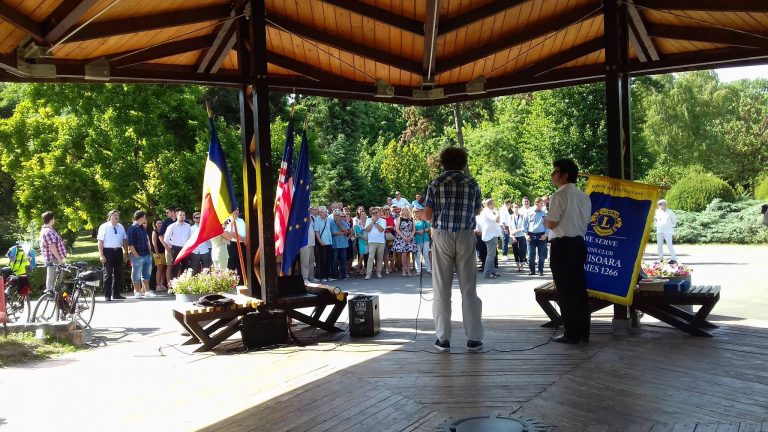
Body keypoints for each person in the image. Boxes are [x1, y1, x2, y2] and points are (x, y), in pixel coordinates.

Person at [424, 146, 484, 353]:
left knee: (441, 289)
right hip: (466, 236)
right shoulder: (472, 183)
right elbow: (477, 210)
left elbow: (426, 215)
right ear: (463, 162)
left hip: (442, 235)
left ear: (443, 162)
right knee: (469, 289)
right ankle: (474, 339)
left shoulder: (436, 183)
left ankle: (443, 339)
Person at [544, 158, 592, 344]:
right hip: (579, 244)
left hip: (562, 246)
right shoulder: (583, 196)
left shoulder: (559, 196)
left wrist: (546, 222)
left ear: (564, 175)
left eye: (555, 171)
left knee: (565, 291)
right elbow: (586, 222)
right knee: (579, 290)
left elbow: (553, 222)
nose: (552, 175)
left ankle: (571, 333)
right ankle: (583, 332)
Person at [97, 210, 128, 301]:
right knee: (108, 274)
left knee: (119, 274)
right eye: (114, 215)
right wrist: (101, 254)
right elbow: (100, 241)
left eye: (118, 215)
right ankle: (107, 295)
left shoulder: (120, 227)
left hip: (118, 251)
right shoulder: (104, 226)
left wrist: (126, 252)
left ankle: (116, 294)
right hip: (107, 251)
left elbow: (124, 240)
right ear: (110, 216)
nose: (116, 217)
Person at [127, 211, 155, 299]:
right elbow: (130, 244)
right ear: (141, 217)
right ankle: (137, 292)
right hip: (138, 255)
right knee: (136, 274)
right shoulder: (132, 228)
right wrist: (136, 255)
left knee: (146, 273)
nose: (145, 218)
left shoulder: (142, 227)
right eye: (144, 217)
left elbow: (146, 241)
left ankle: (147, 291)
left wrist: (149, 253)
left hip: (146, 254)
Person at [39, 211, 67, 293]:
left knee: (55, 276)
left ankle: (54, 294)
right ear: (51, 219)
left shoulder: (47, 230)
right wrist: (59, 259)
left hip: (53, 258)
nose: (54, 220)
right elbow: (52, 246)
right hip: (54, 258)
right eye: (54, 218)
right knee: (53, 277)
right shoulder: (48, 231)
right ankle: (51, 294)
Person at [164, 209, 192, 278]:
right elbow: (166, 238)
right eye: (180, 215)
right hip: (176, 248)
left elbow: (190, 237)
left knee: (185, 266)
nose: (182, 217)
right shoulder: (172, 226)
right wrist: (172, 246)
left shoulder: (188, 226)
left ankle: (183, 284)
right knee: (175, 267)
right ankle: (174, 284)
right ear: (176, 215)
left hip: (185, 248)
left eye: (183, 215)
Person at [479, 198, 503, 279]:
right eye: (493, 204)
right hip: (490, 236)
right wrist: (497, 212)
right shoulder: (486, 211)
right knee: (490, 255)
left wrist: (496, 214)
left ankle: (492, 272)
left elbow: (498, 220)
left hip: (492, 235)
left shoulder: (488, 211)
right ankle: (487, 273)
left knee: (492, 255)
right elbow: (496, 219)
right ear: (489, 204)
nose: (494, 205)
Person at [525, 198, 548, 276]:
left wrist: (546, 235)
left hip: (541, 236)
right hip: (531, 235)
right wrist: (526, 235)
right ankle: (532, 271)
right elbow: (524, 225)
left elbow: (547, 225)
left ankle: (540, 271)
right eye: (541, 203)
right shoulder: (529, 212)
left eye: (542, 204)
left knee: (541, 255)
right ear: (536, 203)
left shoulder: (544, 213)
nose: (542, 205)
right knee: (531, 255)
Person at [393, 206, 417, 277]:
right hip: (401, 238)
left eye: (405, 209)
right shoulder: (399, 219)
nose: (404, 211)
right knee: (403, 254)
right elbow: (397, 229)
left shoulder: (411, 219)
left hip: (410, 237)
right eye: (402, 210)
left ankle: (408, 270)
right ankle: (404, 270)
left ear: (408, 210)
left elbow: (414, 229)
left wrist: (411, 236)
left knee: (408, 254)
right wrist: (403, 237)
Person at [364, 207, 387, 279]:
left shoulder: (383, 220)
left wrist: (375, 222)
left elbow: (381, 230)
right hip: (371, 242)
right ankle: (368, 274)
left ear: (379, 212)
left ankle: (378, 272)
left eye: (376, 212)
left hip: (381, 242)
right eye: (373, 213)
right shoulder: (368, 220)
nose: (375, 214)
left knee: (380, 258)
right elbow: (367, 230)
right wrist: (372, 222)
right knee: (370, 258)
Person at [157, 207, 176, 288]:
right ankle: (169, 286)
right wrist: (165, 245)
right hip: (168, 247)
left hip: (179, 247)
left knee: (178, 265)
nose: (166, 214)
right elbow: (160, 235)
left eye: (167, 212)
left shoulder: (182, 221)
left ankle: (179, 285)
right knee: (169, 266)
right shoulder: (166, 222)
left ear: (173, 212)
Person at [329, 209, 350, 280]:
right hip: (335, 244)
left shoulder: (343, 222)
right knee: (334, 260)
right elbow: (334, 233)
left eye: (338, 215)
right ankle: (334, 275)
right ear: (333, 215)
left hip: (343, 244)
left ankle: (343, 275)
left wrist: (340, 225)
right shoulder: (331, 222)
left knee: (343, 260)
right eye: (336, 215)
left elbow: (347, 231)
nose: (337, 216)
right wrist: (342, 232)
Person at [313, 206, 333, 282]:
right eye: (319, 211)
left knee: (328, 260)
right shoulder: (317, 220)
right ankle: (322, 277)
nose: (320, 213)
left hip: (329, 242)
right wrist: (320, 241)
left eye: (322, 211)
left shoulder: (328, 220)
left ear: (325, 212)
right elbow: (316, 232)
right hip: (322, 243)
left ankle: (328, 276)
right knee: (322, 260)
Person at [412, 208, 431, 275]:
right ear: (413, 212)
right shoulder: (412, 221)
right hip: (416, 240)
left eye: (418, 211)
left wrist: (423, 231)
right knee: (417, 255)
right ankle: (418, 271)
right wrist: (417, 232)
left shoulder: (423, 220)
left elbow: (429, 228)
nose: (417, 213)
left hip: (425, 239)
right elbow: (410, 231)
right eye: (415, 211)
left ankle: (428, 270)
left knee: (426, 254)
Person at [299, 206, 317, 281]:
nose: (309, 210)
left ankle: (311, 277)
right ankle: (305, 278)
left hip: (312, 242)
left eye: (310, 209)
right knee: (305, 261)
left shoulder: (312, 218)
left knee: (311, 261)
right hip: (304, 243)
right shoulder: (301, 217)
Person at [151, 219, 168, 292]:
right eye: (158, 223)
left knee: (163, 269)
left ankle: (162, 284)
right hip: (157, 253)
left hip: (164, 252)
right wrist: (157, 253)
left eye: (161, 223)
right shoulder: (154, 232)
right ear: (155, 224)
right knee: (159, 269)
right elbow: (154, 244)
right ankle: (158, 285)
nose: (159, 225)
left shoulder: (164, 231)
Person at [510, 203, 527, 272]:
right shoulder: (511, 217)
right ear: (512, 208)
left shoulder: (522, 216)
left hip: (521, 235)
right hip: (514, 236)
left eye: (517, 207)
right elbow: (510, 228)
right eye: (514, 207)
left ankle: (522, 265)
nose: (516, 209)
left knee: (522, 251)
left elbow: (523, 227)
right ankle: (517, 265)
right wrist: (513, 235)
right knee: (515, 251)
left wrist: (517, 230)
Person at [354, 210, 368, 277]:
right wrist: (365, 238)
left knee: (367, 256)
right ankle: (357, 270)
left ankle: (366, 270)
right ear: (360, 216)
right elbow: (358, 234)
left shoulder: (368, 222)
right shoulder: (358, 224)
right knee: (361, 256)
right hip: (362, 242)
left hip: (368, 242)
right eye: (361, 214)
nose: (363, 215)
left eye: (364, 214)